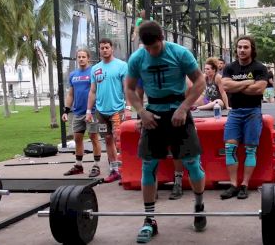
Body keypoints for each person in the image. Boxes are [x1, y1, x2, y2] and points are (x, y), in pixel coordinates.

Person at [126, 21, 207, 243]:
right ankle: (149, 220)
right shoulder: (137, 58)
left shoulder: (179, 53)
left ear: (162, 38)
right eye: (148, 47)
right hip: (153, 115)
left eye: (155, 46)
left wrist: (184, 107)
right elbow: (130, 88)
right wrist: (141, 111)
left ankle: (199, 206)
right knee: (148, 165)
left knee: (192, 162)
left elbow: (200, 81)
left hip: (179, 112)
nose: (152, 51)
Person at [220, 35, 268, 200]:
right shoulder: (229, 68)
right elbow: (225, 86)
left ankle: (244, 185)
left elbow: (258, 90)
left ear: (252, 49)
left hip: (253, 112)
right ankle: (233, 185)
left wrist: (236, 87)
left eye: (245, 47)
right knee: (229, 148)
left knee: (250, 150)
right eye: (239, 47)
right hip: (235, 112)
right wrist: (248, 83)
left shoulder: (260, 68)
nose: (242, 50)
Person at [86, 38, 128, 183]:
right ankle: (114, 170)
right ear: (99, 50)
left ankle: (126, 171)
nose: (104, 50)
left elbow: (126, 88)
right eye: (102, 48)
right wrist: (88, 111)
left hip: (117, 110)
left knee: (119, 140)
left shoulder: (122, 66)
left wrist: (127, 107)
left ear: (112, 49)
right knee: (108, 139)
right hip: (100, 112)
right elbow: (92, 91)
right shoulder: (95, 69)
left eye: (106, 47)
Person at [62, 48, 102, 177]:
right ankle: (78, 166)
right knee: (77, 138)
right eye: (79, 57)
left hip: (92, 111)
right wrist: (66, 111)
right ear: (76, 58)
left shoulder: (93, 72)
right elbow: (70, 94)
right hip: (78, 112)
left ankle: (96, 166)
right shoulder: (73, 74)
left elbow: (96, 91)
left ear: (88, 58)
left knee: (93, 138)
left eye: (83, 57)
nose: (81, 59)